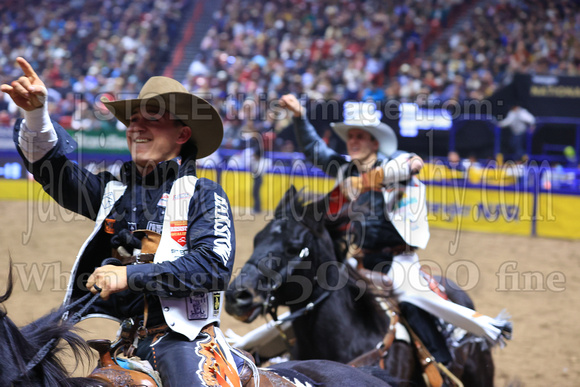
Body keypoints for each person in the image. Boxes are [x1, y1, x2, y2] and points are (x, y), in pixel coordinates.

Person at [2, 57, 242, 386]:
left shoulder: (204, 194)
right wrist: (35, 115)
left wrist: (128, 275)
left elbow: (212, 268)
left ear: (183, 133)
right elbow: (55, 174)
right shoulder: (113, 193)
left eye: (152, 119)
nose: (135, 128)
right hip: (126, 342)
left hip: (188, 342)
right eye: (132, 120)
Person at [279, 94, 511, 365]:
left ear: (374, 142)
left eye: (360, 136)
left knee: (411, 300)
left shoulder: (393, 161)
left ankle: (440, 365)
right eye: (350, 136)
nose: (352, 141)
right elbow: (315, 150)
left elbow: (414, 164)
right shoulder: (345, 169)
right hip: (358, 260)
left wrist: (366, 181)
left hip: (399, 261)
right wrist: (299, 116)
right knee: (317, 296)